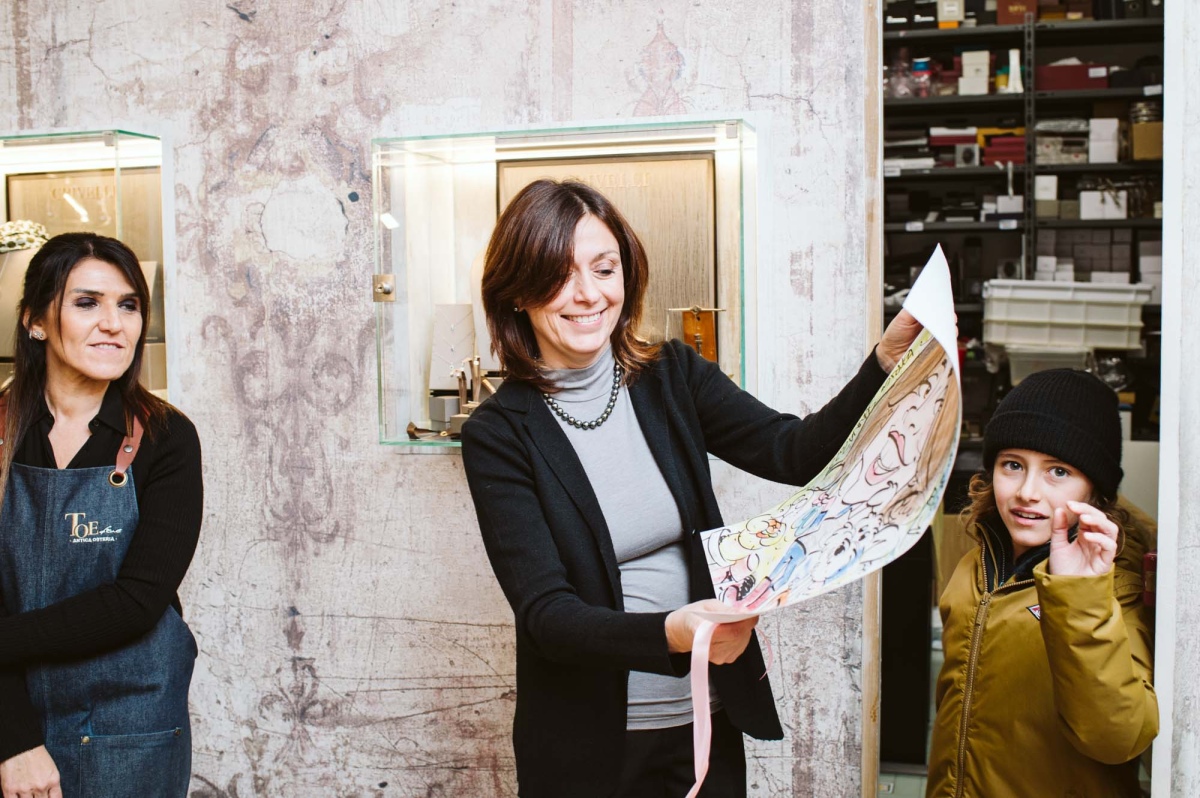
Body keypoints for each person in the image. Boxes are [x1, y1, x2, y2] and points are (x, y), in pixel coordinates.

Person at [460, 179, 925, 797]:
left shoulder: (671, 376)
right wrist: (673, 634)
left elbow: (795, 451)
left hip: (705, 719)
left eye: (604, 269)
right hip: (590, 747)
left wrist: (885, 362)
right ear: (518, 292)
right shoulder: (498, 434)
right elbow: (549, 616)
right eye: (559, 276)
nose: (589, 294)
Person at [0, 233, 202, 798]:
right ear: (35, 320)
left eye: (129, 305)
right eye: (87, 302)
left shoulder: (167, 438)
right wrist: (13, 740)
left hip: (130, 728)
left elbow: (137, 602)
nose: (114, 324)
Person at [926, 369, 1158, 797]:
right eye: (1012, 465)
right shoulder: (975, 565)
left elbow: (1118, 738)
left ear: (1094, 491)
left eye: (1058, 472)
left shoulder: (1113, 588)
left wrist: (1079, 598)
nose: (1027, 491)